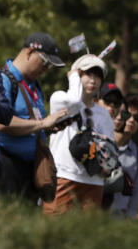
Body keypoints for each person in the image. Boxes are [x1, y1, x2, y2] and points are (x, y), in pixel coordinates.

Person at [44, 54, 118, 214]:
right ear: (77, 75)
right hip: (63, 176)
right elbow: (73, 102)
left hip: (94, 181)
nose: (93, 80)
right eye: (88, 74)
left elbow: (110, 147)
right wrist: (73, 76)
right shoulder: (59, 98)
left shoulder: (103, 114)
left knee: (87, 235)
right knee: (54, 231)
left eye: (98, 77)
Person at [0, 32, 68, 199]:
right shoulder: (2, 79)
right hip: (6, 166)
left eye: (50, 66)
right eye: (45, 62)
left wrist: (48, 128)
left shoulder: (34, 86)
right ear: (29, 52)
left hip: (30, 170)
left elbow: (31, 125)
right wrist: (42, 124)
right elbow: (0, 123)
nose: (46, 69)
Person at [109, 94, 138, 219]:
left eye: (137, 118)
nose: (132, 120)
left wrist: (130, 218)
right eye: (127, 115)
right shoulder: (99, 143)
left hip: (117, 220)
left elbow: (137, 193)